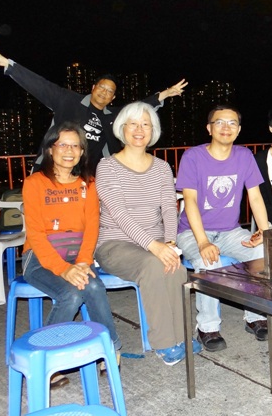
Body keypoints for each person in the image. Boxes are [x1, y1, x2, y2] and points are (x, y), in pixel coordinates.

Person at [94, 102, 198, 366]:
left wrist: (170, 243)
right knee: (154, 264)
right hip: (115, 243)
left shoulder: (162, 167)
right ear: (122, 128)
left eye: (145, 125)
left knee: (176, 267)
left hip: (156, 242)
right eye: (133, 124)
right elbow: (119, 213)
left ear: (153, 131)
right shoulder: (107, 167)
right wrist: (154, 246)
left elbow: (169, 208)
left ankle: (182, 336)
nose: (139, 130)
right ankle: (163, 343)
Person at [0, 42, 187, 173]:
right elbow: (41, 85)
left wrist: (165, 94)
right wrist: (9, 65)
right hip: (54, 169)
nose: (104, 93)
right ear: (93, 88)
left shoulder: (113, 116)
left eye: (110, 91)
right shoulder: (68, 100)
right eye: (102, 88)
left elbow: (138, 107)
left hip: (89, 176)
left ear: (113, 97)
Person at [22, 121, 121, 387]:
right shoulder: (34, 183)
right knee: (71, 293)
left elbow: (92, 228)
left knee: (94, 285)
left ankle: (110, 348)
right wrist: (63, 269)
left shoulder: (88, 183)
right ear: (50, 149)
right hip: (40, 258)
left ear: (82, 152)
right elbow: (35, 234)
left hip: (77, 256)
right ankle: (46, 360)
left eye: (75, 146)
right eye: (63, 145)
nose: (69, 151)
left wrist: (83, 262)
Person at [176, 104, 270, 352]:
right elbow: (190, 201)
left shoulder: (244, 156)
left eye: (232, 123)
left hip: (230, 231)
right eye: (219, 122)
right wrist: (203, 242)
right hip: (193, 231)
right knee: (210, 262)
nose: (226, 127)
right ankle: (207, 327)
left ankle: (255, 316)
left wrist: (264, 232)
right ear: (209, 128)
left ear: (238, 130)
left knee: (261, 254)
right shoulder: (193, 157)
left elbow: (255, 197)